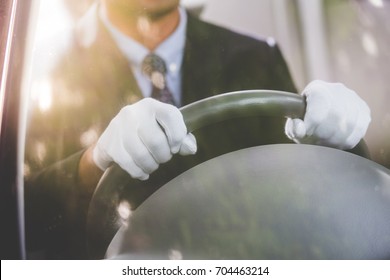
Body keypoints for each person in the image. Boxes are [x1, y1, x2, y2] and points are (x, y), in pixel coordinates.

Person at [24, 0, 371, 259]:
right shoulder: (38, 72)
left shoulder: (256, 56)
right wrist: (92, 161)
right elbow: (24, 216)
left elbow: (311, 201)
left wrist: (339, 141)